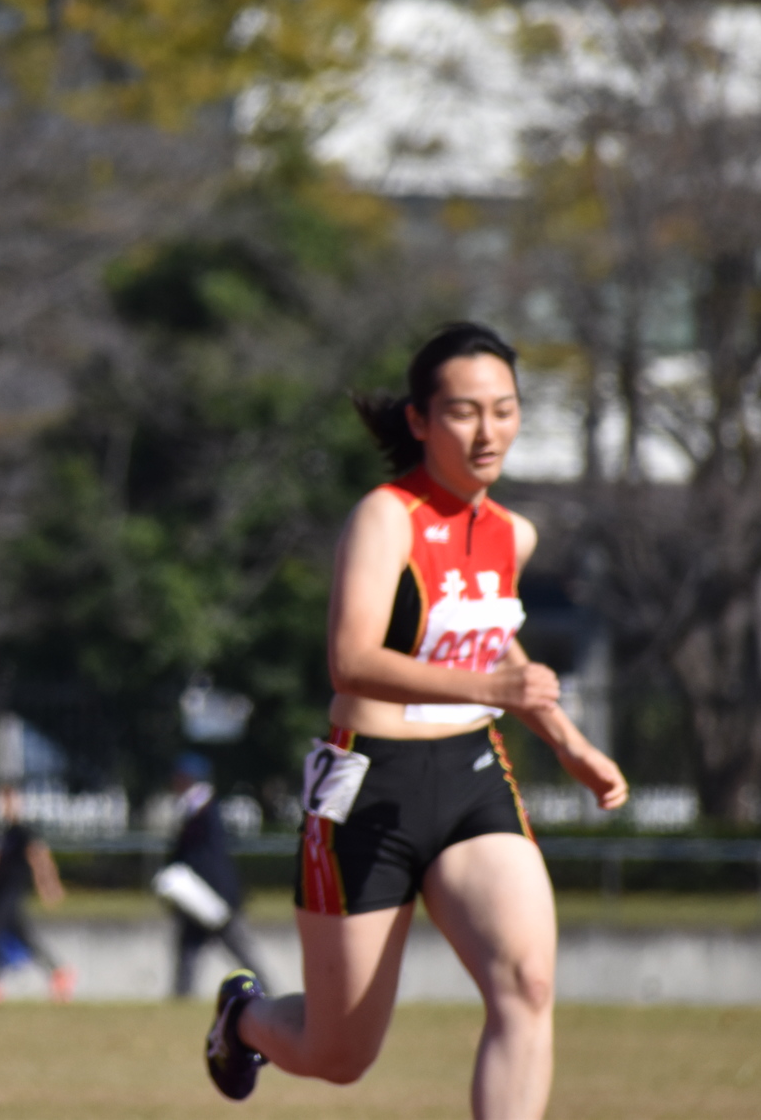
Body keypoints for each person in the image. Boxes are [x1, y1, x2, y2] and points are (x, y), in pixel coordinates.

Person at [203, 322, 626, 1118]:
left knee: (528, 983)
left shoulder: (512, 534)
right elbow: (351, 659)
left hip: (470, 775)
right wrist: (490, 685)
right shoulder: (385, 517)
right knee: (339, 1054)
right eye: (464, 411)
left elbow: (493, 636)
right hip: (369, 783)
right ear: (421, 421)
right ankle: (245, 1016)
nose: (487, 429)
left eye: (504, 409)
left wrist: (570, 741)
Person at [157, 753, 271, 998]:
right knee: (188, 952)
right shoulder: (190, 809)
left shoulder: (204, 811)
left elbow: (207, 859)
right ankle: (181, 997)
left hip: (215, 898)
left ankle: (268, 992)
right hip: (196, 898)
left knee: (241, 950)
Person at [0, 782, 75, 1003]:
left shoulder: (22, 832)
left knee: (4, 933)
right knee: (12, 934)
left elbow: (39, 857)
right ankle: (56, 972)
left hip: (12, 891)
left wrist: (49, 885)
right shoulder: (2, 832)